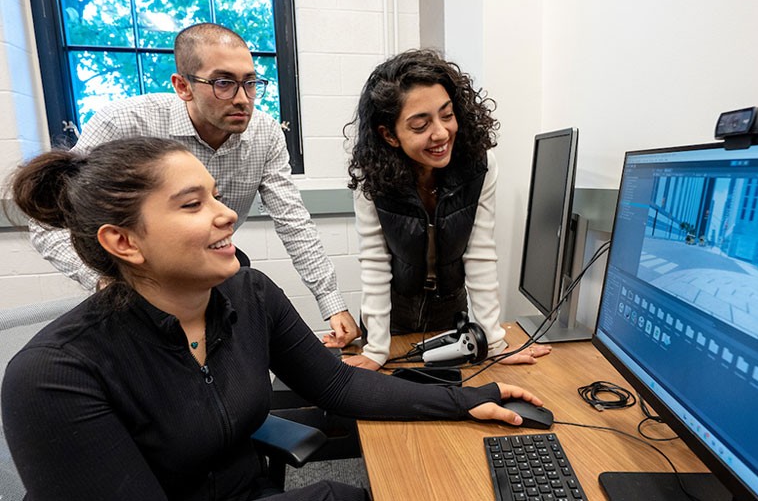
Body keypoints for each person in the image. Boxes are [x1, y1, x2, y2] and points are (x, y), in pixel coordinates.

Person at [2, 137, 543, 500]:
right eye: (192, 204)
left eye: (216, 195)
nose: (228, 213)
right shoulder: (54, 375)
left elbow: (337, 384)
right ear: (123, 242)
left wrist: (468, 399)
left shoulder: (248, 293)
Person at [28, 22, 360, 344]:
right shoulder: (125, 123)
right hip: (131, 280)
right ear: (182, 86)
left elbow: (294, 223)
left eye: (250, 82)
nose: (243, 98)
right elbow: (46, 223)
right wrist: (108, 282)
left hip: (206, 270)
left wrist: (331, 302)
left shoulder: (265, 132)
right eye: (223, 83)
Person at [336, 49, 552, 370]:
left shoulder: (480, 166)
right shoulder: (373, 177)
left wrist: (493, 341)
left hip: (452, 314)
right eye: (421, 125)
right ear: (389, 135)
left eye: (447, 115)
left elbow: (479, 254)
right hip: (393, 317)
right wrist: (376, 349)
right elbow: (375, 263)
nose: (441, 133)